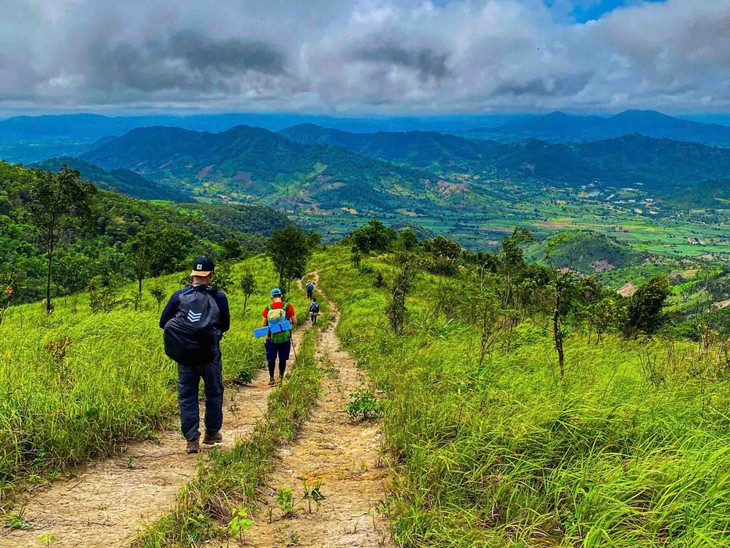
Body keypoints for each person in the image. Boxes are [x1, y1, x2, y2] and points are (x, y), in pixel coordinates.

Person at [160, 257, 230, 454]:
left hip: (185, 357)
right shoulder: (219, 297)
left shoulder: (179, 295)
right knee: (214, 393)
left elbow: (163, 322)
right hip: (210, 356)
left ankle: (191, 440)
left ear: (193, 275)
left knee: (187, 396)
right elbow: (225, 326)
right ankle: (211, 433)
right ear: (210, 275)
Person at [262, 288, 297, 387]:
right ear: (281, 296)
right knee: (282, 359)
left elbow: (264, 325)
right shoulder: (288, 306)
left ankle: (272, 379)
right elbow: (295, 321)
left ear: (271, 297)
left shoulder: (268, 308)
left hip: (271, 338)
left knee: (271, 359)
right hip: (285, 338)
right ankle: (281, 379)